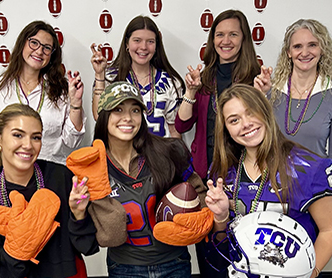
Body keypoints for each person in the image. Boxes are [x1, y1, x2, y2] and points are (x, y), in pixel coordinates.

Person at [205, 84, 332, 278]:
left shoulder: (309, 167)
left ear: (265, 111)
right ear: (226, 129)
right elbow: (222, 242)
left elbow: (330, 229)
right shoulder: (223, 171)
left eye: (251, 112)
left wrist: (310, 273)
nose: (245, 124)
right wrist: (220, 217)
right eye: (234, 120)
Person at [90, 81, 212, 278]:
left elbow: (200, 193)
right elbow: (104, 235)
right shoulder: (92, 165)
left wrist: (200, 217)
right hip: (124, 267)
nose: (128, 118)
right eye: (118, 109)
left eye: (135, 110)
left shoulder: (169, 151)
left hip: (174, 262)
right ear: (104, 115)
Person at [174, 9, 261, 277]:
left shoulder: (256, 77)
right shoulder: (204, 77)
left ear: (244, 38)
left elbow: (266, 127)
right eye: (219, 34)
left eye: (233, 34)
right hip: (207, 179)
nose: (226, 40)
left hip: (246, 180)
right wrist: (190, 92)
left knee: (247, 254)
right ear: (212, 40)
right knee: (211, 255)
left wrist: (263, 96)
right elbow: (181, 125)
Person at [0, 103, 98, 278]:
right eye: (18, 135)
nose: (28, 145)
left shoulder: (60, 177)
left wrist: (79, 215)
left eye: (36, 137)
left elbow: (88, 246)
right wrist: (18, 247)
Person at [256, 19, 332, 217]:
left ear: (322, 49)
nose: (305, 52)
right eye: (297, 46)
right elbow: (255, 140)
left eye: (312, 45)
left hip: (316, 193)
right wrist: (260, 97)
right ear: (288, 52)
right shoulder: (270, 91)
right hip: (272, 192)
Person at [0, 20, 86, 165]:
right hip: (10, 175)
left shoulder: (63, 91)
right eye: (34, 43)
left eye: (47, 48)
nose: (39, 51)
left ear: (52, 56)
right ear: (22, 43)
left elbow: (72, 141)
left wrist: (75, 103)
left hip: (52, 174)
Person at [90, 15, 185, 138]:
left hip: (160, 155)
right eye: (137, 40)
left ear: (156, 46)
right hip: (122, 155)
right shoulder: (110, 77)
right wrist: (99, 74)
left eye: (150, 41)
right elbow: (99, 116)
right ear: (127, 44)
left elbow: (174, 130)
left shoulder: (172, 82)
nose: (143, 47)